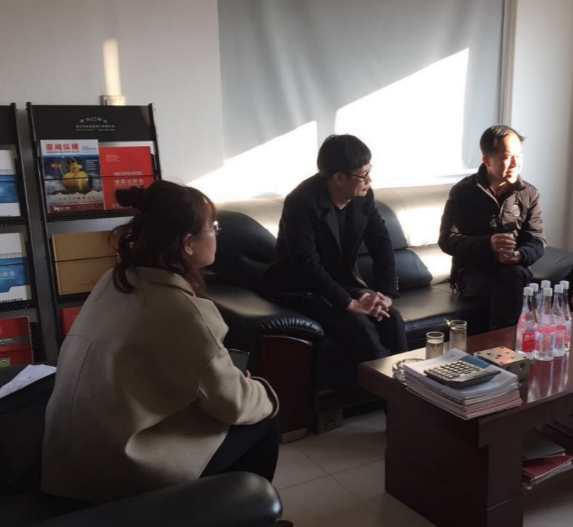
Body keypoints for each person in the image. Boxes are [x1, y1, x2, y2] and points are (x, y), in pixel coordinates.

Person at [42, 181, 279, 504]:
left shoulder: (115, 280)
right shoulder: (183, 311)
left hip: (68, 455)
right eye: (212, 228)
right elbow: (233, 404)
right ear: (188, 244)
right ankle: (244, 511)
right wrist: (262, 392)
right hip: (115, 468)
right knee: (263, 419)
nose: (216, 234)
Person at [262, 134, 407, 389]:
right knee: (358, 324)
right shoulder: (301, 202)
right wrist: (349, 303)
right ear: (339, 177)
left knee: (390, 317)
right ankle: (390, 394)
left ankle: (406, 392)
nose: (369, 180)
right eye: (363, 174)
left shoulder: (363, 195)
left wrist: (385, 294)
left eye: (370, 171)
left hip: (342, 282)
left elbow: (381, 243)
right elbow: (306, 265)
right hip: (300, 287)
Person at [438, 125, 546, 330]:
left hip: (512, 270)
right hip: (472, 272)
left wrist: (519, 255)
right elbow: (447, 240)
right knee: (511, 282)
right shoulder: (464, 192)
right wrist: (489, 244)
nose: (515, 163)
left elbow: (537, 240)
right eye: (507, 157)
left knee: (514, 275)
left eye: (519, 156)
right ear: (486, 160)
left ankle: (503, 341)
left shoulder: (529, 193)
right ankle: (505, 341)